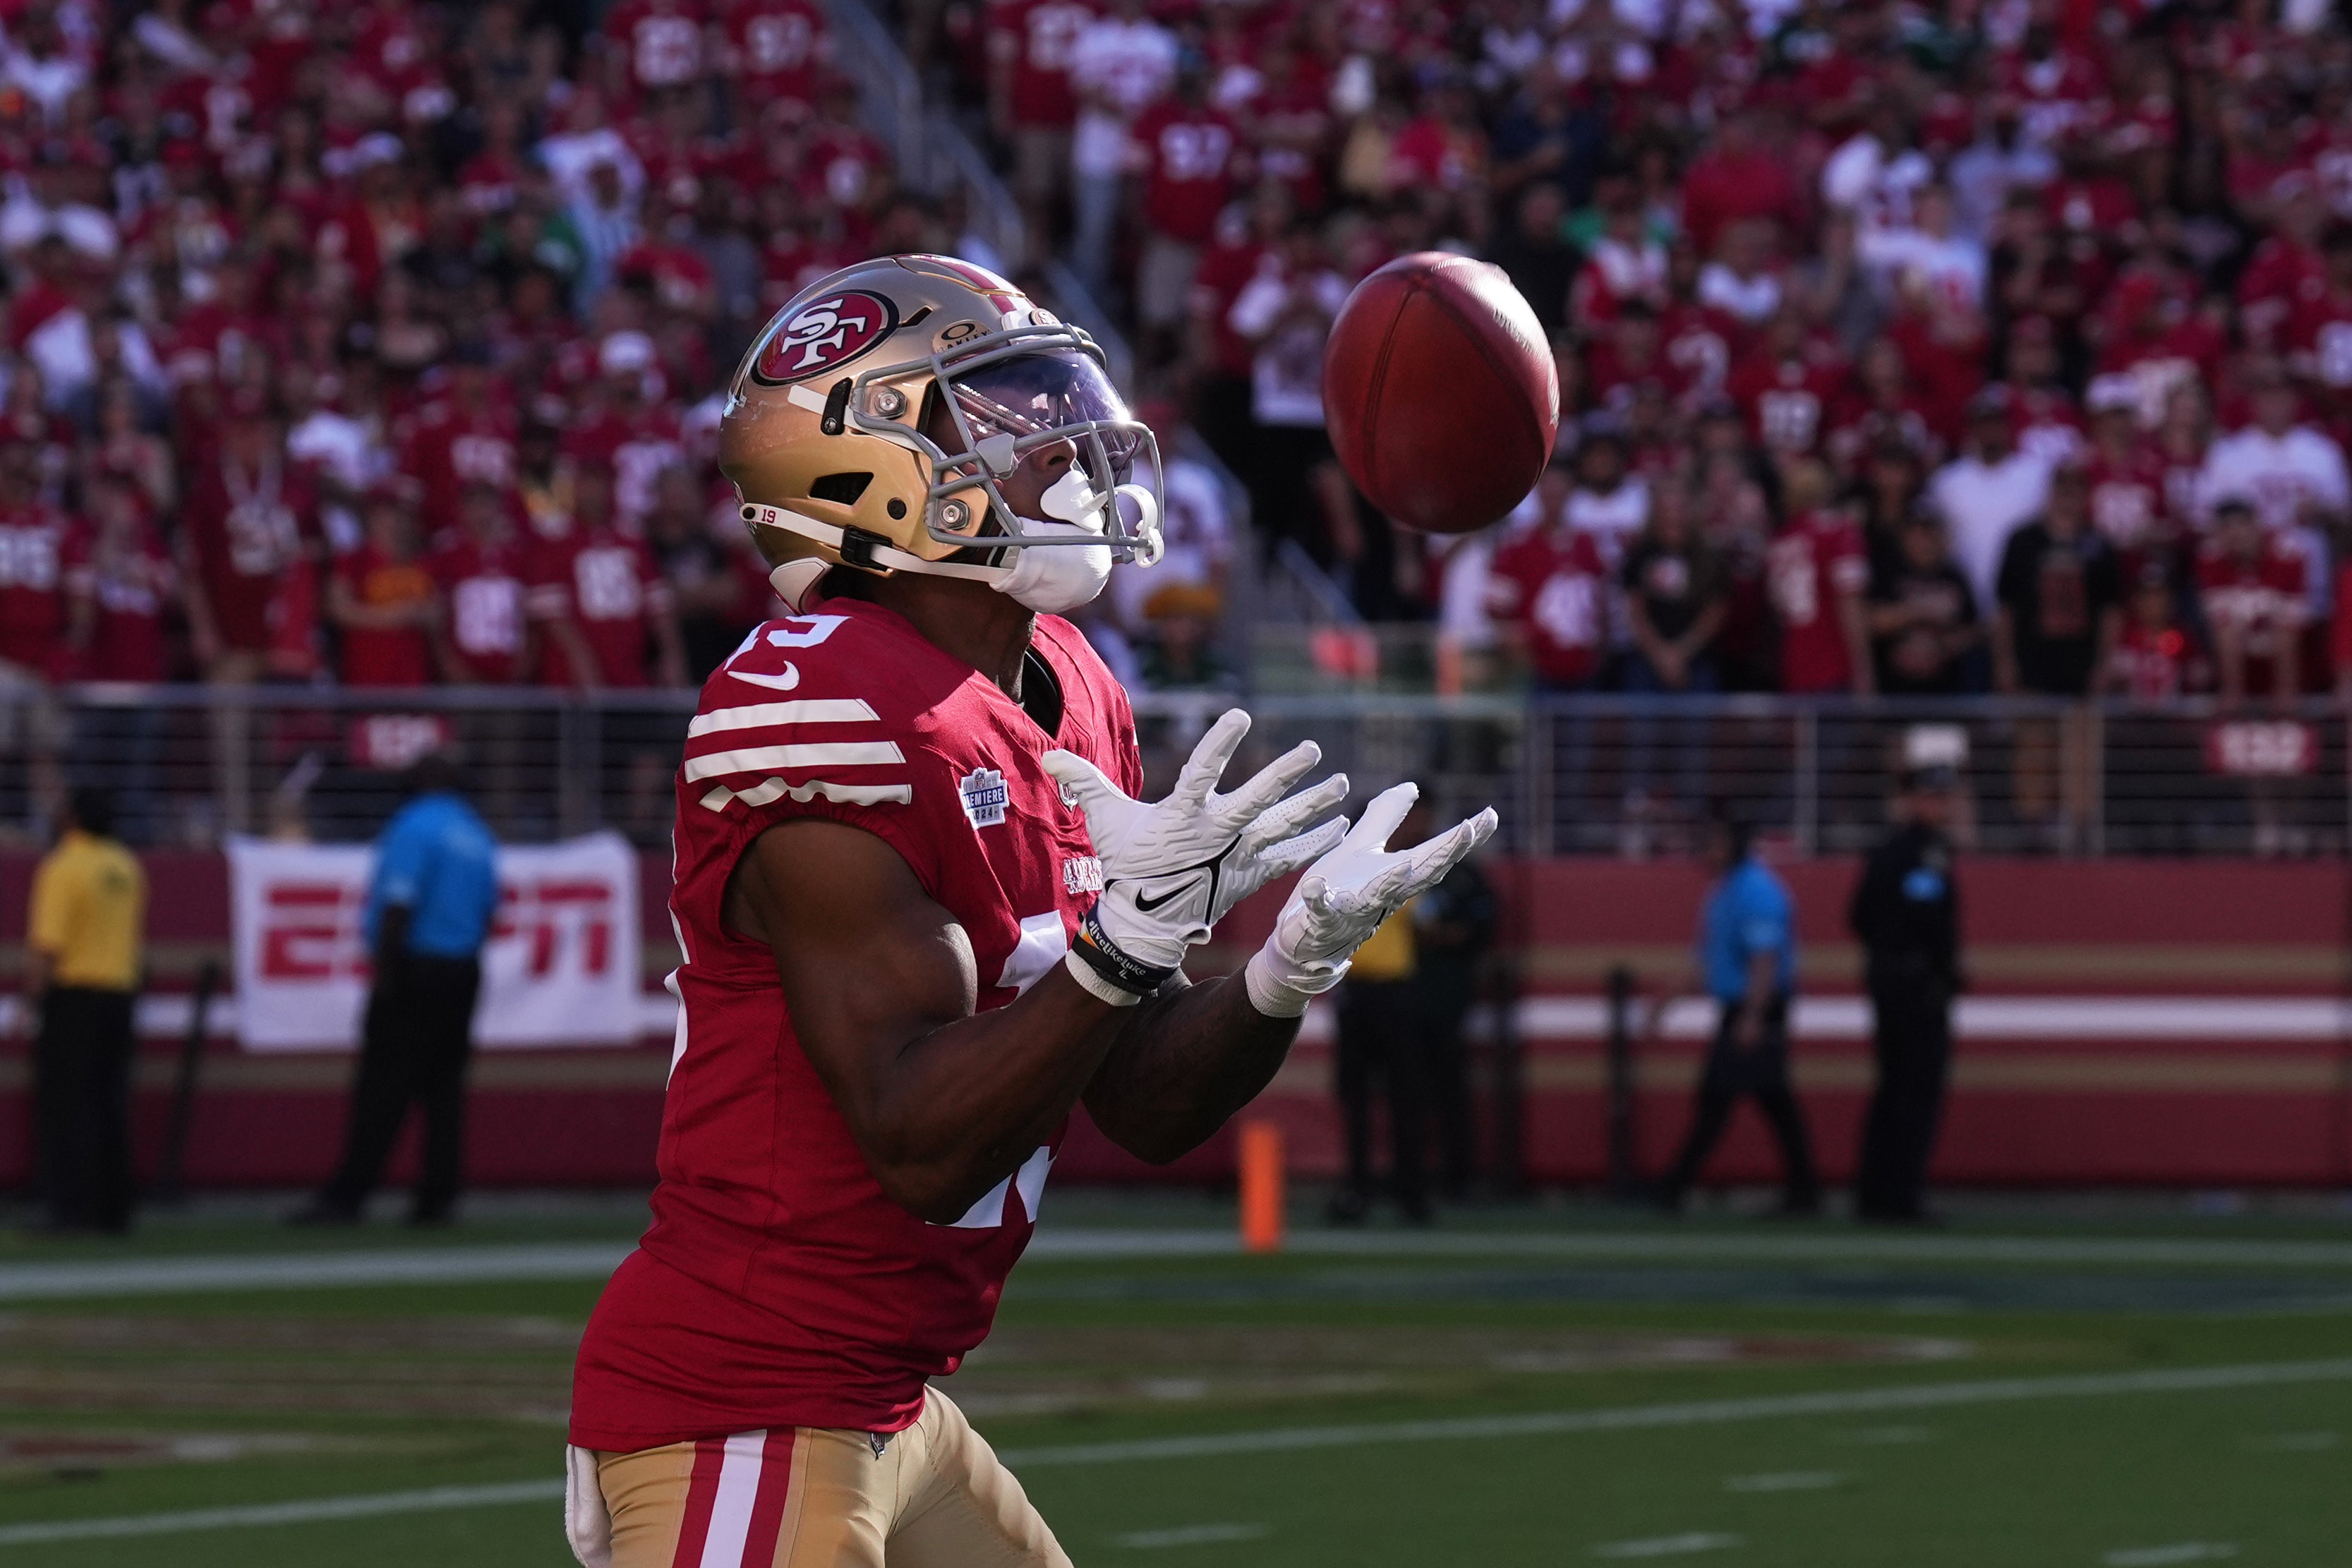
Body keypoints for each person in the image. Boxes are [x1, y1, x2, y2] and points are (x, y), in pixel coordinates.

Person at [563, 258, 1495, 1568]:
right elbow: (916, 1141)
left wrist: (1286, 963)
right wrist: (1118, 948)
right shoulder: (816, 703)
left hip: (885, 1399)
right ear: (861, 467)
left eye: (1052, 393)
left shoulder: (1064, 680)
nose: (1067, 437)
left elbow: (1142, 1101)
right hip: (747, 1400)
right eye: (997, 411)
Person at [294, 752, 500, 1226]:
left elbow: (398, 903)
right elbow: (489, 911)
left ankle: (348, 1195)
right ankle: (438, 1197)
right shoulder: (476, 834)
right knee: (444, 1090)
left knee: (383, 1086)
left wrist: (385, 976)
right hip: (461, 971)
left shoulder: (413, 827)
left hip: (413, 967)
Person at [1658, 805, 1819, 1216]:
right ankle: (1804, 1191)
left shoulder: (1755, 890)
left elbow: (1764, 960)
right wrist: (1668, 999)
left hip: (1754, 1009)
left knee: (1723, 1101)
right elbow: (1710, 957)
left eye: (1714, 842)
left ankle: (1673, 1187)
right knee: (1769, 1103)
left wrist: (1752, 1017)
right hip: (1743, 1008)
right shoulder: (1725, 889)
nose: (1706, 850)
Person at [1848, 762, 1963, 1224]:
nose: (1941, 806)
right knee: (1915, 1092)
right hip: (1916, 986)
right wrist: (1942, 964)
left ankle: (1875, 1190)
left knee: (1891, 1088)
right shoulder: (1926, 852)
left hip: (1885, 981)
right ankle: (1900, 1193)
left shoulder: (1885, 851)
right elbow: (1931, 918)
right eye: (1933, 797)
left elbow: (1856, 917)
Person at [26, 788, 145, 1234]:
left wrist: (31, 999)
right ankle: (114, 1209)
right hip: (120, 993)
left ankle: (70, 1210)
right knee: (111, 1104)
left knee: (66, 1107)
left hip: (75, 995)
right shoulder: (125, 865)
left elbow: (49, 945)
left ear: (72, 818)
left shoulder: (63, 866)